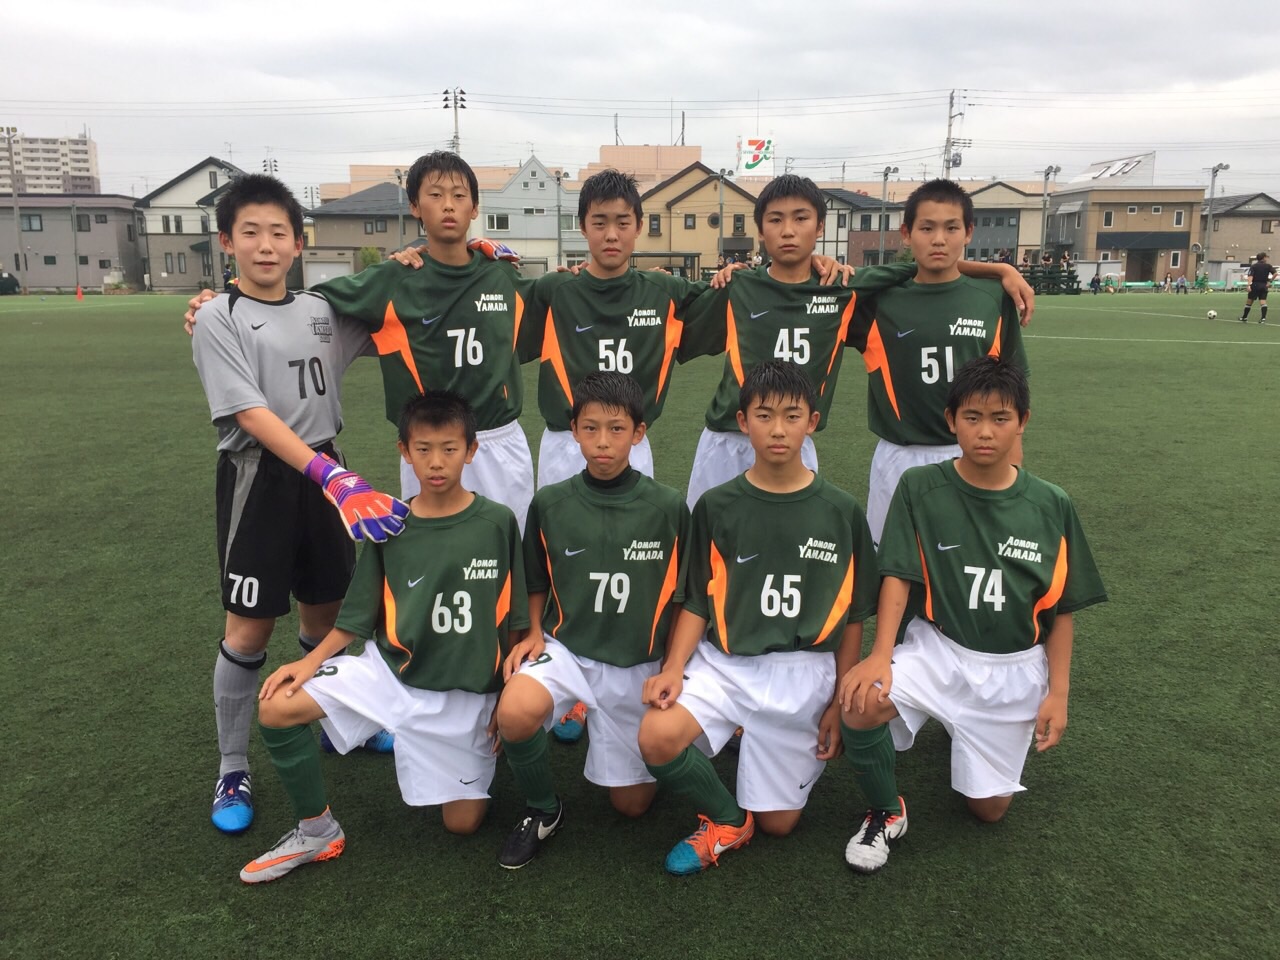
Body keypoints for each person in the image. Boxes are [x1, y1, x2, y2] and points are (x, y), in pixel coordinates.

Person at [190, 174, 409, 835]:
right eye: (250, 233)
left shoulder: (320, 309)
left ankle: (332, 722)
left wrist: (425, 259)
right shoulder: (218, 317)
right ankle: (232, 766)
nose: (265, 245)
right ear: (226, 242)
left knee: (326, 613)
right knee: (248, 631)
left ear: (298, 242)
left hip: (325, 472)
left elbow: (395, 312)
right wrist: (329, 476)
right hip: (262, 479)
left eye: (278, 233)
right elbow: (250, 415)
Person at [239, 390, 529, 884]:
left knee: (462, 825)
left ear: (471, 450)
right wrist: (309, 662)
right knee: (277, 706)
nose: (435, 462)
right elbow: (355, 616)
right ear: (404, 451)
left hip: (464, 697)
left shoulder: (497, 522)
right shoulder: (389, 521)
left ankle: (448, 756)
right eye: (423, 449)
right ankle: (317, 830)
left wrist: (507, 696)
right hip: (391, 675)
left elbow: (516, 620)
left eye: (449, 449)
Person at [838, 357, 1107, 874]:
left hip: (1011, 669)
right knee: (860, 702)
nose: (985, 432)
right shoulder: (920, 487)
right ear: (951, 420)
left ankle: (965, 730)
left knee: (988, 811)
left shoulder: (1051, 504)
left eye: (1000, 418)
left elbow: (1060, 610)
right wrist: (879, 655)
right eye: (973, 417)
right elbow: (898, 575)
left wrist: (1059, 693)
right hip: (939, 650)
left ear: (1023, 421)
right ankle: (886, 811)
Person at [188, 152, 532, 523]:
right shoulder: (391, 279)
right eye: (435, 195)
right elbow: (297, 304)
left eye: (459, 196)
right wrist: (229, 302)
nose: (448, 205)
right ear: (414, 206)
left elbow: (559, 305)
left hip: (496, 440)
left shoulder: (502, 276)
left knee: (508, 542)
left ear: (475, 207)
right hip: (422, 445)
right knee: (431, 548)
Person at [637, 360, 880, 875]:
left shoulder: (841, 511)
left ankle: (759, 769)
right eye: (764, 416)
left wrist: (838, 701)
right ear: (743, 421)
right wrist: (675, 667)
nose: (778, 429)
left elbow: (854, 616)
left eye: (792, 416)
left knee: (780, 823)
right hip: (725, 666)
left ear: (812, 422)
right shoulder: (716, 505)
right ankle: (727, 820)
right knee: (656, 736)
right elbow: (697, 600)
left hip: (801, 673)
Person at [679, 174, 1035, 510]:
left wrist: (1002, 270)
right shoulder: (738, 287)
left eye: (801, 218)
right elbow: (676, 307)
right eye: (775, 220)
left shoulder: (843, 289)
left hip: (797, 440)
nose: (788, 230)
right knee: (708, 541)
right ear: (760, 229)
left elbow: (928, 266)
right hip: (728, 440)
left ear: (820, 226)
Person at [494, 372, 690, 869]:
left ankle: (631, 744)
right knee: (515, 709)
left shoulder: (668, 506)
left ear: (639, 433)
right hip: (568, 650)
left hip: (636, 663)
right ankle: (543, 808)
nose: (603, 442)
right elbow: (535, 580)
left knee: (632, 806)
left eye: (617, 429)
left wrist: (674, 664)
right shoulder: (550, 502)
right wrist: (533, 630)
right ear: (574, 431)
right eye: (591, 428)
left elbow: (686, 596)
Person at [847, 177, 1031, 547]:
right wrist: (1000, 267)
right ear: (906, 233)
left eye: (951, 228)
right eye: (926, 228)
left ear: (969, 232)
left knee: (966, 560)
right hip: (899, 456)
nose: (939, 239)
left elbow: (1012, 393)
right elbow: (821, 287)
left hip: (972, 454)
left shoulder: (992, 298)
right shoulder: (877, 300)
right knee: (891, 564)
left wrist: (1012, 468)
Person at [1240, 253, 1276, 323]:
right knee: (1263, 301)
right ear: (1263, 258)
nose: (1267, 258)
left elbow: (1250, 276)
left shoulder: (1254, 266)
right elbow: (1275, 274)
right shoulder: (1268, 266)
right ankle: (1263, 318)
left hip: (1255, 285)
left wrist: (1249, 285)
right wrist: (1270, 281)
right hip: (1264, 285)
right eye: (1266, 257)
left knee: (1249, 301)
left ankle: (1244, 317)